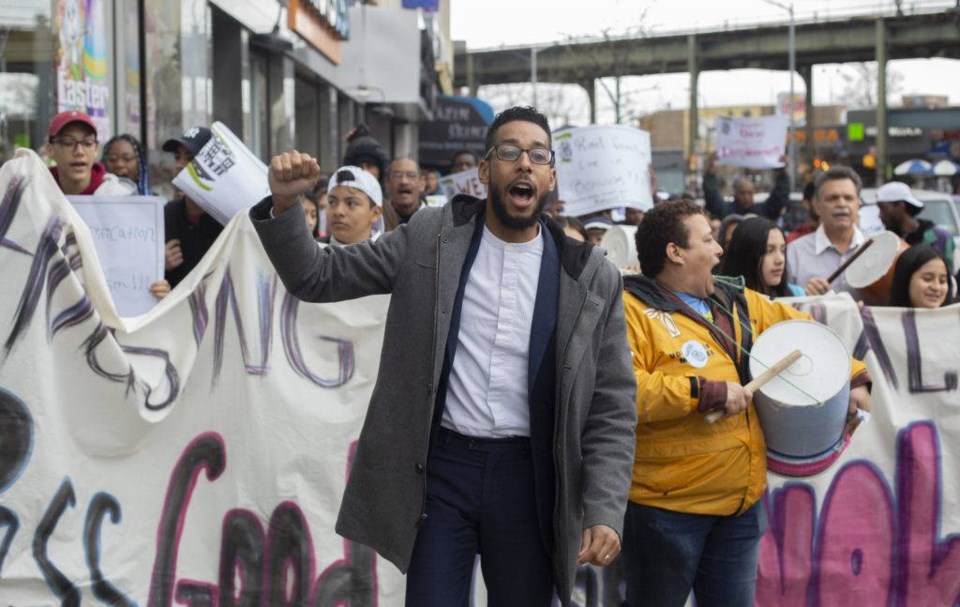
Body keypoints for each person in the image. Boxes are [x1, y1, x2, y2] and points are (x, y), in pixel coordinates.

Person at [249, 105, 636, 606]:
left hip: (531, 483)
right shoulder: (429, 238)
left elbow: (612, 405)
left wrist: (604, 506)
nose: (524, 163)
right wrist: (284, 204)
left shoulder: (590, 277)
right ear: (483, 171)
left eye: (538, 155)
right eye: (509, 152)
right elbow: (316, 277)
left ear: (551, 177)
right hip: (441, 477)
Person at [620, 199, 871, 606]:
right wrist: (705, 393)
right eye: (708, 239)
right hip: (665, 512)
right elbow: (625, 392)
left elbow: (804, 333)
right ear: (675, 252)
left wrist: (855, 376)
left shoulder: (737, 300)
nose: (720, 249)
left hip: (740, 507)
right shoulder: (629, 310)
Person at [786, 166, 867, 298]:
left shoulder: (874, 250)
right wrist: (801, 294)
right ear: (817, 206)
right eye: (832, 198)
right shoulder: (794, 253)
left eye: (848, 198)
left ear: (858, 204)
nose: (841, 204)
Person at [161, 126, 224, 288]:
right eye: (177, 157)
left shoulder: (227, 219)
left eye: (191, 158)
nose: (179, 166)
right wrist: (159, 265)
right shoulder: (166, 213)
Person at [46, 110, 137, 196]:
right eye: (68, 143)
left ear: (96, 149)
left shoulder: (118, 197)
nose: (79, 151)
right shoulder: (37, 194)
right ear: (50, 150)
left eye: (87, 143)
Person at [876, 181, 955, 274]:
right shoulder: (886, 242)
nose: (880, 215)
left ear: (900, 206)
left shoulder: (940, 238)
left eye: (883, 208)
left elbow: (947, 278)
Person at [720, 216, 805, 297]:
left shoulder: (797, 294)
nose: (780, 260)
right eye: (769, 251)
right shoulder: (722, 302)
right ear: (747, 255)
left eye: (782, 250)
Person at [703, 151, 789, 220]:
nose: (746, 197)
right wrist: (710, 173)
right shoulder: (726, 211)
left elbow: (779, 198)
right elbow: (712, 196)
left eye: (750, 193)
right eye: (743, 193)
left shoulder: (762, 211)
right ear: (735, 193)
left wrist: (782, 173)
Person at [321, 166, 383, 245]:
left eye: (351, 203)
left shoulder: (388, 255)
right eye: (332, 202)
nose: (338, 211)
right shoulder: (312, 252)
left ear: (375, 213)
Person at [888, 245, 954, 308]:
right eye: (927, 279)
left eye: (942, 281)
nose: (936, 287)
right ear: (906, 280)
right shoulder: (882, 318)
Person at [385, 157, 425, 225]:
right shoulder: (377, 220)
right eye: (397, 176)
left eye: (411, 176)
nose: (404, 181)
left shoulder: (437, 221)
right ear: (387, 184)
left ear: (422, 184)